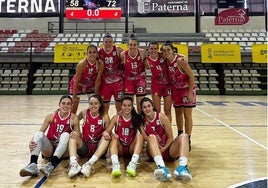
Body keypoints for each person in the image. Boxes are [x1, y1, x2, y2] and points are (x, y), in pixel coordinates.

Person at [19, 95, 80, 177]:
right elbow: (41, 131)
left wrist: (76, 133)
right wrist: (32, 141)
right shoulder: (50, 116)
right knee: (38, 134)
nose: (65, 106)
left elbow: (79, 135)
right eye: (63, 103)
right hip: (50, 149)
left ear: (71, 106)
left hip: (64, 151)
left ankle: (51, 164)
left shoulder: (74, 118)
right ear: (59, 104)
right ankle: (33, 164)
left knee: (66, 135)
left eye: (68, 104)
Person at [140, 97, 192, 182]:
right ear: (142, 109)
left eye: (149, 106)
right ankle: (162, 167)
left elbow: (171, 138)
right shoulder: (141, 122)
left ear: (152, 106)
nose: (147, 109)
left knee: (184, 136)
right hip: (154, 151)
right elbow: (146, 138)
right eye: (144, 107)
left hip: (168, 149)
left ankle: (182, 167)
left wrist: (164, 148)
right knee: (151, 137)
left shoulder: (162, 117)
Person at [162, 43, 196, 150]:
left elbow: (191, 76)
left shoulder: (180, 61)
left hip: (186, 89)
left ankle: (188, 138)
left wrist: (190, 92)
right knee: (178, 113)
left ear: (173, 51)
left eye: (168, 50)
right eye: (164, 51)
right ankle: (180, 134)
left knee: (187, 114)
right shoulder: (166, 61)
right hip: (176, 90)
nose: (166, 52)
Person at [67, 94, 110, 178]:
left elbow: (109, 132)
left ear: (100, 104)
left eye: (95, 103)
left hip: (98, 148)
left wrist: (109, 133)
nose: (93, 106)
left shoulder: (105, 116)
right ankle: (74, 164)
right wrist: (74, 131)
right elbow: (73, 119)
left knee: (106, 137)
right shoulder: (84, 113)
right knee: (73, 136)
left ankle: (89, 164)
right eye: (91, 103)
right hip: (85, 147)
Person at [103, 96, 144, 177]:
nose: (127, 107)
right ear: (121, 106)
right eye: (124, 105)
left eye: (129, 105)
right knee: (114, 139)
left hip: (131, 148)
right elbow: (106, 131)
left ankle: (133, 164)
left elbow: (144, 135)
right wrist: (109, 134)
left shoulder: (136, 118)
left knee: (140, 136)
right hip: (120, 148)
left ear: (132, 107)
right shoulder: (116, 118)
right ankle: (115, 165)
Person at [69, 44, 104, 114]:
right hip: (78, 84)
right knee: (74, 105)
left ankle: (89, 119)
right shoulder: (82, 64)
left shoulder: (100, 64)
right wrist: (74, 96)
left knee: (94, 104)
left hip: (90, 85)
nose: (92, 54)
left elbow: (97, 82)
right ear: (86, 54)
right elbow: (76, 81)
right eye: (90, 52)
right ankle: (71, 122)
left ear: (97, 54)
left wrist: (97, 96)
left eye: (94, 52)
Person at [145, 41, 172, 123]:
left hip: (167, 85)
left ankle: (168, 130)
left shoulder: (163, 55)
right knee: (157, 110)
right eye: (151, 48)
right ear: (149, 49)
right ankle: (158, 129)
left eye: (155, 49)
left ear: (158, 49)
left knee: (167, 110)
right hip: (156, 86)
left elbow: (173, 55)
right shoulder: (146, 61)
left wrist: (183, 57)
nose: (153, 50)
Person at [120, 34, 147, 114]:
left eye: (135, 45)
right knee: (129, 105)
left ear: (138, 45)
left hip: (139, 80)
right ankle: (131, 123)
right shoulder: (123, 54)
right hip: (128, 81)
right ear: (128, 45)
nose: (132, 47)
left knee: (140, 105)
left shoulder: (142, 52)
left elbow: (146, 65)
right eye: (131, 45)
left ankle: (141, 123)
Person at [98, 33, 124, 114]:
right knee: (105, 108)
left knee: (119, 106)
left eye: (110, 42)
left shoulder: (118, 50)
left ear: (113, 42)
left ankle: (119, 125)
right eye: (106, 42)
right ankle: (105, 125)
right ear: (103, 43)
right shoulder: (99, 52)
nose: (108, 44)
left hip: (118, 83)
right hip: (105, 84)